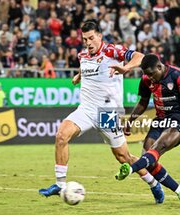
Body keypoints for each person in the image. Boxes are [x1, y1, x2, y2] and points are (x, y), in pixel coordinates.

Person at [39, 20, 164, 204]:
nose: (88, 42)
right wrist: (79, 76)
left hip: (107, 112)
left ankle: (153, 184)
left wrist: (126, 67)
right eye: (85, 39)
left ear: (99, 36)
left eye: (91, 38)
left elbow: (140, 56)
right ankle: (59, 184)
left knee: (124, 157)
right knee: (61, 136)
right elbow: (87, 67)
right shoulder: (83, 55)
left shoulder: (112, 51)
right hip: (87, 109)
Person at [115, 54, 180, 208]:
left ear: (160, 67)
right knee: (148, 161)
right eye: (146, 74)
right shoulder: (146, 79)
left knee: (158, 147)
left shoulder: (177, 75)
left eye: (151, 73)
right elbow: (143, 102)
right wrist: (129, 122)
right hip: (160, 120)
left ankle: (129, 170)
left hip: (178, 119)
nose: (150, 77)